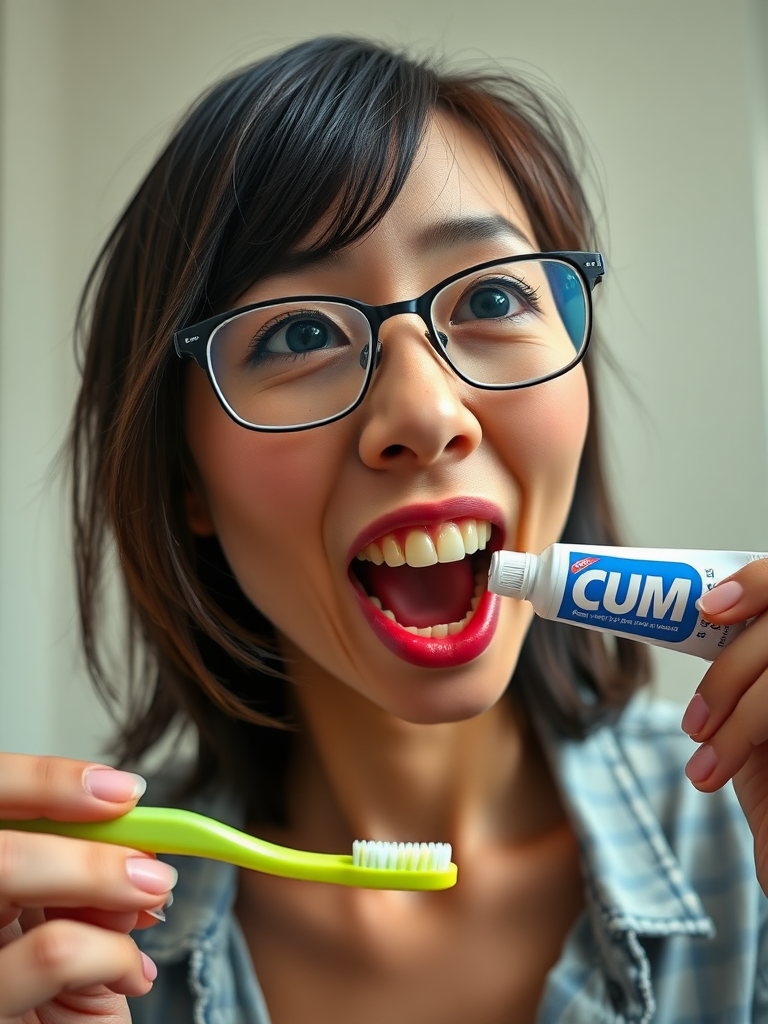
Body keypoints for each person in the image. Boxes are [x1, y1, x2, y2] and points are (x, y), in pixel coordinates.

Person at [1, 35, 767, 1024]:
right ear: (185, 475)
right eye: (299, 333)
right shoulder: (71, 957)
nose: (424, 412)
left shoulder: (745, 852)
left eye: (494, 296)